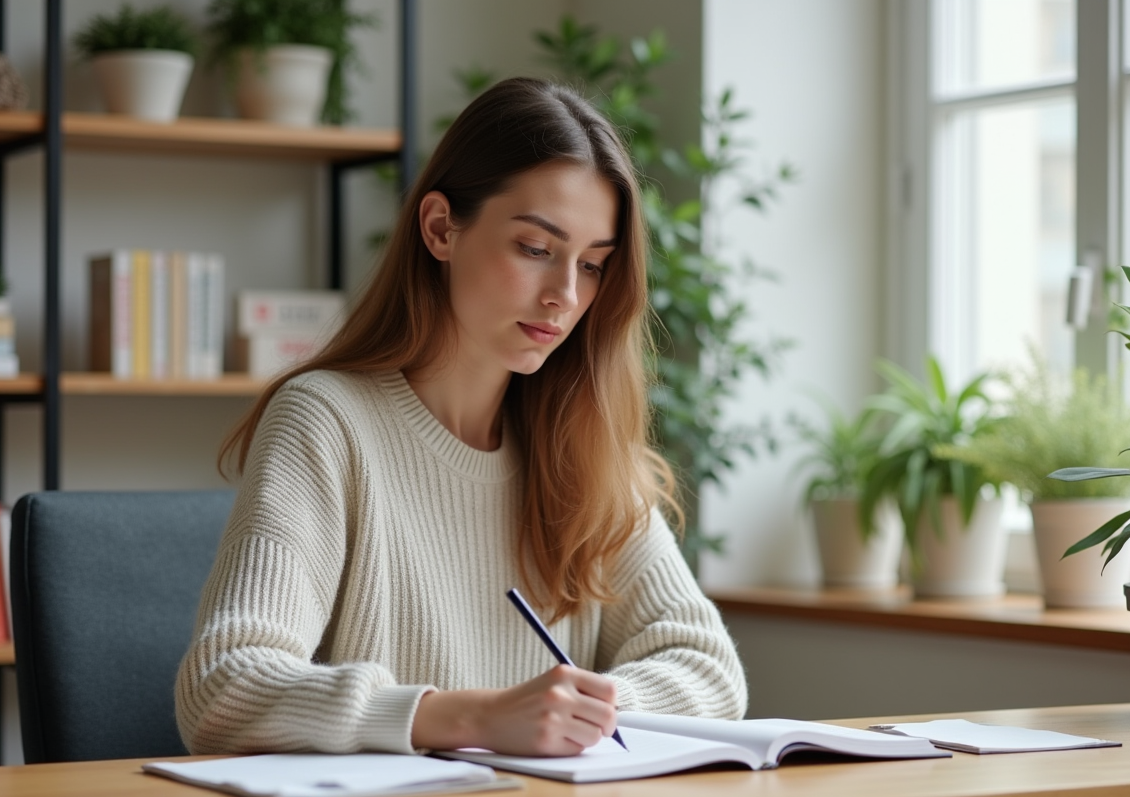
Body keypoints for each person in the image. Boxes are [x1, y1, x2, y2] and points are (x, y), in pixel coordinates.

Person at [175, 76, 747, 758]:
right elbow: (223, 686)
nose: (565, 295)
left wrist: (576, 714)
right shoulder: (326, 422)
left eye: (593, 265)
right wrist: (473, 718)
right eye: (536, 249)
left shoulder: (580, 442)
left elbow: (709, 668)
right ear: (441, 228)